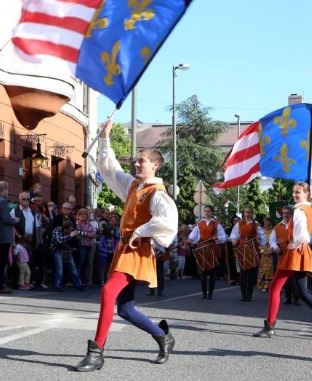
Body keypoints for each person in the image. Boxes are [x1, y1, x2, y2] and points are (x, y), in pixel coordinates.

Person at [74, 120, 178, 372]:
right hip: (125, 248)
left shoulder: (157, 193)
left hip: (137, 249)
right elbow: (110, 169)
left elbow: (167, 221)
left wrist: (141, 231)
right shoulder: (133, 185)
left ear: (155, 164)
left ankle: (96, 352)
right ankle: (163, 336)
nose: (137, 163)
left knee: (108, 292)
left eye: (142, 160)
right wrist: (105, 138)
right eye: (137, 160)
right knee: (126, 309)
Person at [253, 182, 312, 341]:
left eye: (298, 192)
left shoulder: (298, 210)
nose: (295, 194)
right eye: (294, 192)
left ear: (306, 193)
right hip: (302, 252)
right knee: (303, 293)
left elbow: (303, 235)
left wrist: (296, 242)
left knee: (274, 288)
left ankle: (269, 326)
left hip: (294, 253)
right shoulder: (310, 208)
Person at [188, 205, 227, 299]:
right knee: (203, 271)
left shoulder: (216, 224)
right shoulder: (200, 224)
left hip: (212, 247)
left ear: (212, 212)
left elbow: (223, 237)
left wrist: (217, 237)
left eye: (209, 211)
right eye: (205, 211)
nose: (207, 213)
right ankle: (204, 293)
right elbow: (194, 234)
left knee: (212, 271)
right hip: (202, 247)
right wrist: (190, 239)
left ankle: (210, 294)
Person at [230, 206, 266, 302]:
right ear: (244, 213)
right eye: (246, 212)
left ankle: (249, 295)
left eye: (249, 212)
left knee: (250, 274)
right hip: (242, 248)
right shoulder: (240, 223)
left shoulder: (256, 224)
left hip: (252, 249)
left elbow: (263, 238)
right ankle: (243, 295)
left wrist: (259, 238)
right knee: (242, 273)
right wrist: (234, 239)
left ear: (252, 213)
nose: (247, 214)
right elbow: (234, 234)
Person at [50, 220, 86, 292]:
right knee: (60, 267)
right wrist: (70, 236)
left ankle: (78, 284)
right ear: (65, 229)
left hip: (65, 249)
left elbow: (77, 236)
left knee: (73, 267)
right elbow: (59, 240)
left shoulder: (70, 232)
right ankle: (58, 285)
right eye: (69, 230)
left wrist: (77, 236)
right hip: (56, 249)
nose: (70, 232)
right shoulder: (57, 230)